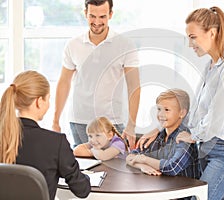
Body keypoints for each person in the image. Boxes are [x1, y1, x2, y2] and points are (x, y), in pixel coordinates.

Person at [138, 6, 224, 200]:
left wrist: (193, 135)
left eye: (193, 37)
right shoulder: (210, 66)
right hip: (208, 148)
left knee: (198, 198)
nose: (190, 44)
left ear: (213, 33)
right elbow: (199, 113)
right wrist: (159, 129)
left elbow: (217, 116)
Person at [52, 0, 140, 149]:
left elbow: (134, 86)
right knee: (82, 166)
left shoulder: (125, 45)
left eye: (102, 17)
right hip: (79, 120)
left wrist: (131, 124)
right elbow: (64, 82)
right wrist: (55, 120)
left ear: (111, 14)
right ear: (85, 13)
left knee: (113, 166)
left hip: (112, 121)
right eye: (92, 16)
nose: (97, 22)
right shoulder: (73, 45)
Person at [0, 70, 91, 200]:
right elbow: (82, 190)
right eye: (48, 99)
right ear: (39, 101)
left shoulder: (3, 136)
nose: (49, 105)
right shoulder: (55, 143)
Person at [126, 88, 199, 180]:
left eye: (167, 110)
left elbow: (172, 167)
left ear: (182, 113)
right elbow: (130, 156)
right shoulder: (158, 135)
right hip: (163, 188)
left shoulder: (184, 138)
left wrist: (144, 159)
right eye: (159, 109)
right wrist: (141, 166)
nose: (161, 114)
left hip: (182, 192)